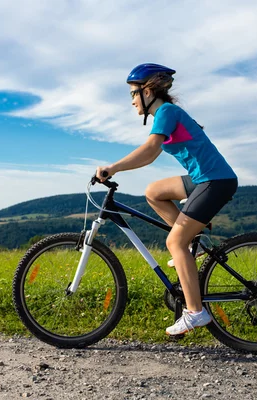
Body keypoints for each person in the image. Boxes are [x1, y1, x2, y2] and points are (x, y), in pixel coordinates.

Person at [95, 63, 238, 336]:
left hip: (214, 181)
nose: (132, 101)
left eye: (133, 94)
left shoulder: (166, 112)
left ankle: (196, 312)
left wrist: (112, 168)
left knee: (174, 242)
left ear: (148, 91)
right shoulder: (168, 113)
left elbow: (149, 151)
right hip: (203, 179)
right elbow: (151, 154)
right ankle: (193, 243)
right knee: (154, 192)